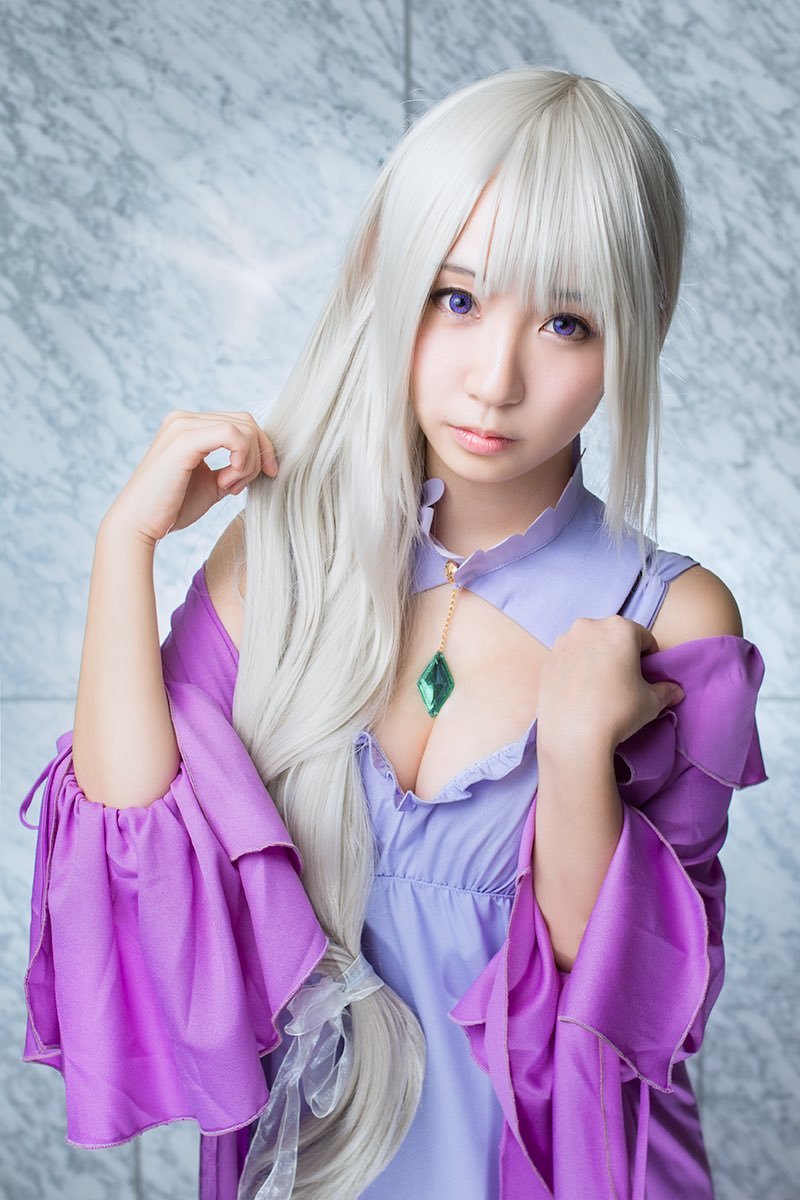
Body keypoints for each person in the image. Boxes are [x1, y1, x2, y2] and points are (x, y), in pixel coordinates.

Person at [18, 65, 767, 1200]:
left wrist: (576, 751)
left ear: (635, 334)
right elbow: (132, 865)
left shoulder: (671, 618)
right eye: (456, 300)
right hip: (315, 1170)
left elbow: (618, 1022)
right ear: (390, 279)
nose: (495, 379)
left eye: (565, 321)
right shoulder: (287, 551)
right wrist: (124, 547)